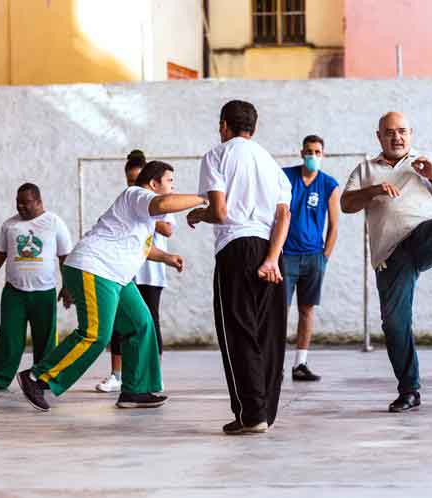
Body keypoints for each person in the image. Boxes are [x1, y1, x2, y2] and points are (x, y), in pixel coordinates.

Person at [16, 161, 203, 411]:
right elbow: (162, 203)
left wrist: (167, 258)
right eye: (170, 182)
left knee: (141, 323)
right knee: (95, 333)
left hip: (115, 275)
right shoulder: (137, 194)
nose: (172, 188)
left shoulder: (143, 215)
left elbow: (139, 246)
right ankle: (36, 378)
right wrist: (202, 198)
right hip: (94, 268)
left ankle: (135, 391)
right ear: (154, 183)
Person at [342, 111, 432, 413]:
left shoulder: (427, 160)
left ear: (411, 133)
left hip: (420, 236)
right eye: (389, 132)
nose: (396, 137)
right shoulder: (366, 169)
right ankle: (409, 390)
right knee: (395, 324)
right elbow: (346, 204)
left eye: (402, 132)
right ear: (379, 136)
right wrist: (373, 191)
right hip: (389, 255)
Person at [187, 100, 291, 436]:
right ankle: (264, 412)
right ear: (254, 128)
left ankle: (250, 414)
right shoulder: (270, 162)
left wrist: (196, 214)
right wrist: (273, 258)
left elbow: (219, 211)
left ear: (223, 125)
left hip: (236, 249)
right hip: (271, 251)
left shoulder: (217, 156)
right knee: (269, 335)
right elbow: (284, 216)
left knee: (238, 332)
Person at [0, 183, 73, 391]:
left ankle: (43, 377)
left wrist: (68, 287)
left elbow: (66, 257)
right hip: (14, 293)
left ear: (38, 202)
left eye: (25, 203)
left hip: (44, 293)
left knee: (45, 338)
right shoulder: (10, 225)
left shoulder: (54, 223)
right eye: (18, 203)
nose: (20, 207)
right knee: (9, 336)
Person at [96, 150, 177, 393]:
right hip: (124, 270)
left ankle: (153, 375)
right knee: (120, 323)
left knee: (149, 321)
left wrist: (147, 212)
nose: (132, 185)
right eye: (129, 181)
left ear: (150, 181)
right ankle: (117, 375)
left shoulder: (161, 202)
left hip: (151, 272)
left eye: (136, 180)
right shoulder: (130, 198)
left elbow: (167, 230)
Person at [282, 134, 340, 382]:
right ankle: (274, 364)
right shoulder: (286, 176)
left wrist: (324, 257)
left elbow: (334, 226)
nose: (312, 156)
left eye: (317, 152)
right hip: (286, 256)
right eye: (309, 151)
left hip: (313, 257)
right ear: (301, 153)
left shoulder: (329, 184)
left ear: (323, 155)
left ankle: (300, 364)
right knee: (279, 311)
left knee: (307, 310)